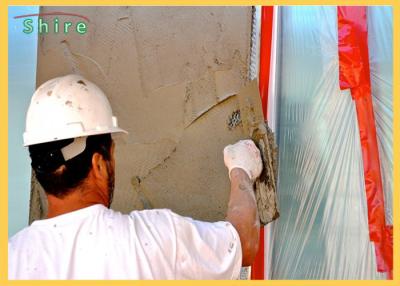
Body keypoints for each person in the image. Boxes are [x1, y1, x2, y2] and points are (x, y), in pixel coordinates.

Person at [8, 74, 262, 280]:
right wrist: (241, 169)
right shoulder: (153, 239)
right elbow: (242, 244)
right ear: (99, 164)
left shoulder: (12, 260)